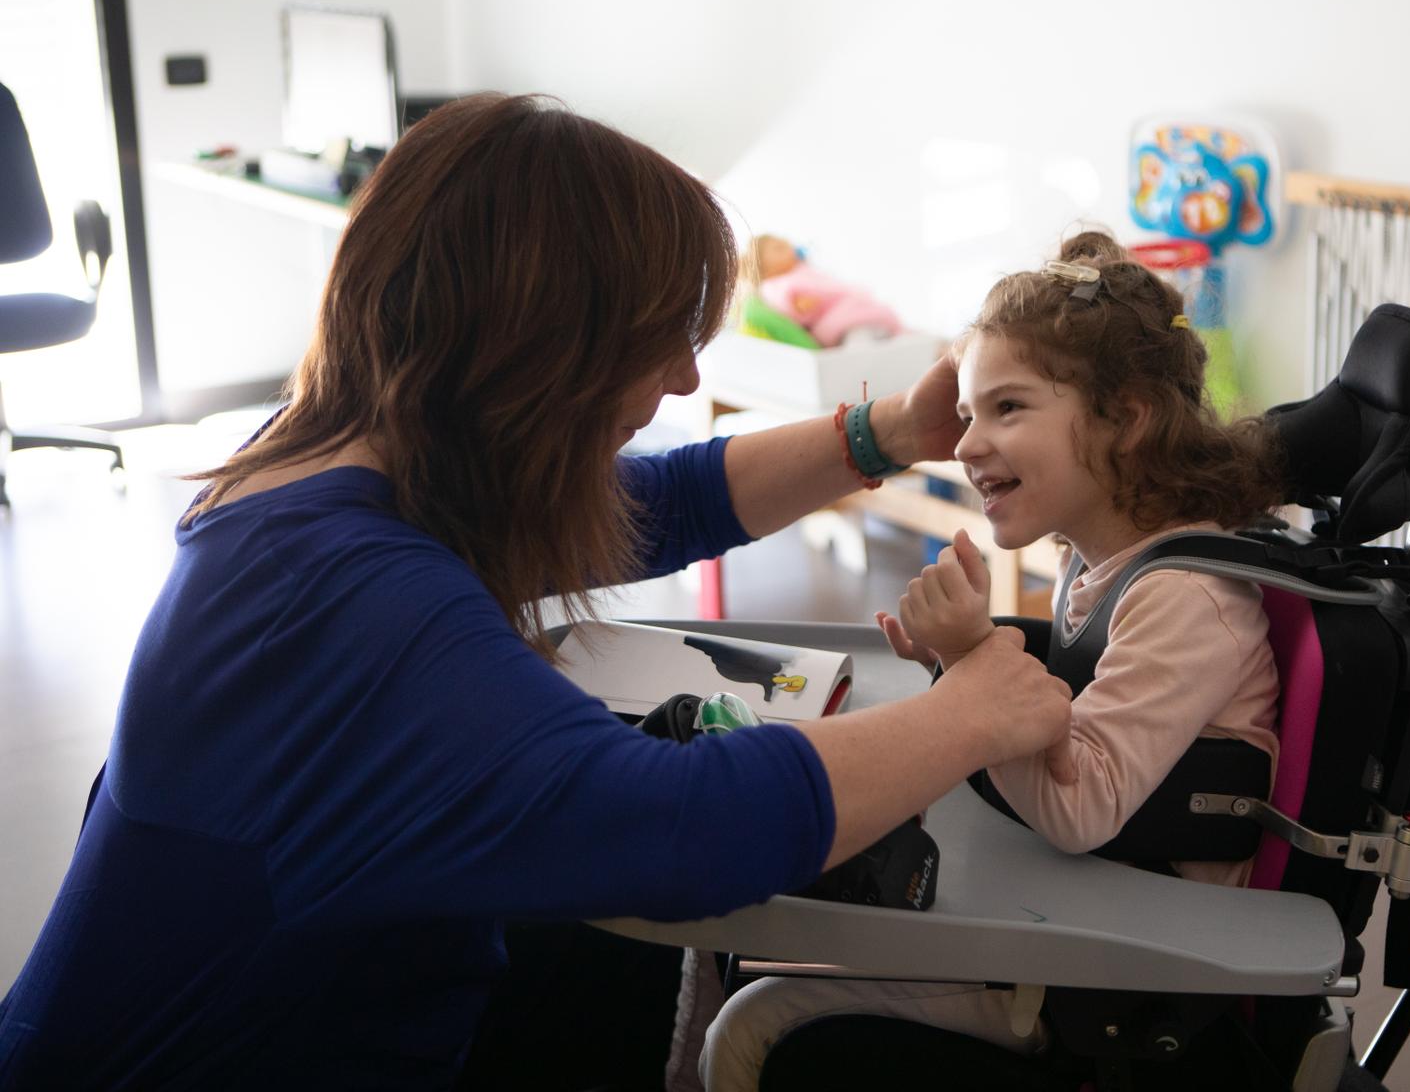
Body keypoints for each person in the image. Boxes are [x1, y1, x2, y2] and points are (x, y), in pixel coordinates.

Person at [0, 93, 1070, 1091]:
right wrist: (966, 713)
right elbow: (687, 827)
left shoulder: (333, 455)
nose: (686, 380)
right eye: (662, 343)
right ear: (545, 349)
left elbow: (656, 502)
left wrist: (892, 431)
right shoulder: (344, 601)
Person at [699, 230, 1291, 1089]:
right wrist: (958, 664)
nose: (968, 443)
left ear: (1127, 418)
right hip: (1069, 921)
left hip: (1113, 977)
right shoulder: (1104, 563)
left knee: (753, 1024)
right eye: (970, 413)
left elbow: (1081, 809)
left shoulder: (1185, 597)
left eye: (1007, 408)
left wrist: (973, 661)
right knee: (753, 953)